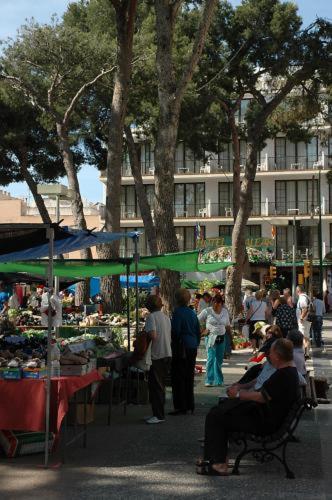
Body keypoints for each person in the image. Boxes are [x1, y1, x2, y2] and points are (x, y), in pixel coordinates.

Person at [198, 339, 300, 476]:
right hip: (265, 417)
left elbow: (261, 397)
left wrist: (238, 394)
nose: (268, 355)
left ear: (277, 356)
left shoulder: (284, 375)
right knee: (219, 411)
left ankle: (218, 464)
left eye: (271, 353)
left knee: (217, 416)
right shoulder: (288, 372)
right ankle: (215, 458)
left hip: (265, 424)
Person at [170, 288, 201, 415]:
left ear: (177, 299)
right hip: (192, 346)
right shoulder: (192, 312)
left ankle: (181, 406)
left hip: (181, 347)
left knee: (179, 377)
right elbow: (198, 331)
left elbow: (175, 331)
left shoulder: (178, 312)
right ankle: (190, 404)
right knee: (189, 376)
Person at [144, 295, 172, 425]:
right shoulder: (166, 318)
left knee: (156, 387)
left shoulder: (151, 317)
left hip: (157, 355)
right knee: (160, 386)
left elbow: (153, 335)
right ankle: (157, 413)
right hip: (167, 353)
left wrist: (144, 335)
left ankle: (159, 415)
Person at [198, 295, 230, 387]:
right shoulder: (207, 311)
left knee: (219, 360)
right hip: (211, 337)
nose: (215, 304)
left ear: (221, 303)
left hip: (222, 337)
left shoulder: (225, 312)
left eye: (218, 303)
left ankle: (219, 380)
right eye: (214, 302)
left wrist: (230, 338)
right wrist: (202, 330)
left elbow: (227, 325)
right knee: (211, 358)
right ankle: (209, 379)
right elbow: (196, 320)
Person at [295, 285, 311, 357]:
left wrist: (301, 318)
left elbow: (305, 308)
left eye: (296, 291)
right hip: (306, 320)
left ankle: (304, 352)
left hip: (303, 321)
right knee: (306, 336)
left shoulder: (302, 298)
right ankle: (306, 352)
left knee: (303, 336)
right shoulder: (306, 297)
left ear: (298, 291)